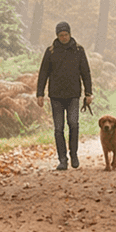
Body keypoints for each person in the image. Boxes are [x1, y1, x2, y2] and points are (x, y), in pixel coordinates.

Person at [35, 20, 94, 170]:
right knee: (58, 128)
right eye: (61, 35)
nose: (63, 37)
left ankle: (73, 154)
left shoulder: (79, 50)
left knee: (73, 124)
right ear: (57, 36)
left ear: (70, 34)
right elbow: (43, 73)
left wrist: (88, 93)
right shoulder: (51, 51)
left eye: (66, 34)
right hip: (56, 95)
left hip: (73, 94)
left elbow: (85, 73)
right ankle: (62, 159)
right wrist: (40, 94)